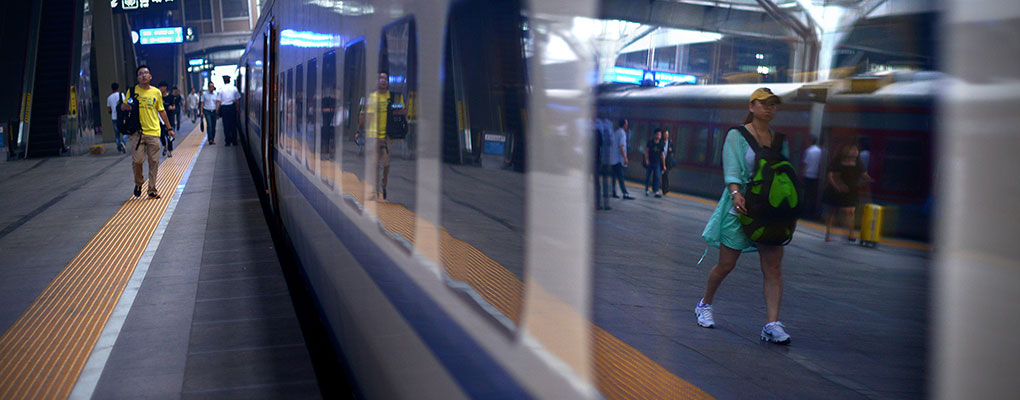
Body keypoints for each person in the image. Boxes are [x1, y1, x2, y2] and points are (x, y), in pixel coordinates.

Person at [694, 87, 792, 345]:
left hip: (771, 213)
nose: (769, 108)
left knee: (773, 267)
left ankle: (772, 324)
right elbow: (733, 168)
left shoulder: (780, 140)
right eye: (764, 103)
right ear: (752, 107)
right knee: (727, 263)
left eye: (773, 104)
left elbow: (785, 176)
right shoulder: (737, 135)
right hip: (742, 208)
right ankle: (704, 303)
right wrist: (736, 193)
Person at [122, 65, 173, 199]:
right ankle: (139, 183)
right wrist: (126, 106)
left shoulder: (156, 92)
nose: (144, 75)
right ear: (137, 77)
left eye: (146, 73)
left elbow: (162, 111)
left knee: (154, 162)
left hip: (154, 132)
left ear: (150, 76)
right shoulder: (132, 91)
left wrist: (169, 128)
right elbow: (123, 106)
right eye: (140, 73)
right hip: (137, 133)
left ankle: (152, 189)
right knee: (138, 161)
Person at [358, 72, 403, 200]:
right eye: (380, 79)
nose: (383, 81)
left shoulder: (393, 97)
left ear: (388, 82)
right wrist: (360, 130)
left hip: (386, 136)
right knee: (375, 165)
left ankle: (384, 184)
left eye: (385, 79)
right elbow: (365, 116)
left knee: (386, 164)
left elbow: (402, 111)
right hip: (373, 136)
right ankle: (375, 192)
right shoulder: (372, 97)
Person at [822, 142, 871, 242]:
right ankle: (828, 234)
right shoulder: (837, 161)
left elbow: (864, 174)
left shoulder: (858, 163)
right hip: (836, 190)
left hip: (851, 191)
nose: (855, 152)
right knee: (832, 211)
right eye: (852, 149)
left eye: (856, 150)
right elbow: (831, 176)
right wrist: (837, 186)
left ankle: (850, 234)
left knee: (850, 212)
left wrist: (868, 180)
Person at [611, 119, 635, 200]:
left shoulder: (616, 132)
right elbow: (621, 146)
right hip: (618, 160)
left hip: (613, 159)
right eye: (626, 124)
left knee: (614, 176)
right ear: (624, 125)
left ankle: (613, 192)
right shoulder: (622, 133)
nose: (627, 125)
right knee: (621, 177)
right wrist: (625, 158)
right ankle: (625, 193)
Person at [800, 135, 822, 219]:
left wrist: (802, 173)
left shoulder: (808, 151)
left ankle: (804, 213)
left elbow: (805, 163)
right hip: (816, 176)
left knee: (806, 195)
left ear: (810, 141)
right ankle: (811, 213)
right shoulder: (820, 151)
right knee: (813, 196)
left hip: (808, 175)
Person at [216, 76, 241, 147]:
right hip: (232, 108)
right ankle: (234, 141)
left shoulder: (221, 89)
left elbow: (218, 101)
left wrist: (217, 110)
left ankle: (227, 141)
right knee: (233, 125)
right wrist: (237, 109)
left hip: (224, 109)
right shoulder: (234, 88)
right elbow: (237, 99)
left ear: (224, 81)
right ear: (229, 80)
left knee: (226, 125)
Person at [596, 118, 614, 210]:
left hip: (601, 158)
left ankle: (599, 203)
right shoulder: (608, 125)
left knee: (599, 182)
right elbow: (611, 141)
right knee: (604, 182)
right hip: (603, 158)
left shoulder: (598, 124)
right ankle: (604, 203)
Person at [106, 82, 127, 153]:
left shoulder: (109, 97)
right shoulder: (121, 95)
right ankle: (123, 142)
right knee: (126, 131)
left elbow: (108, 109)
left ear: (112, 89)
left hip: (114, 117)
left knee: (117, 134)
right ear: (118, 88)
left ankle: (119, 148)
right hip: (122, 117)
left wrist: (112, 112)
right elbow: (125, 104)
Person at [643, 128, 665, 198]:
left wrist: (664, 165)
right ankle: (646, 189)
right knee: (648, 176)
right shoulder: (650, 142)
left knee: (657, 177)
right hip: (650, 162)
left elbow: (663, 155)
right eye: (658, 134)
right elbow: (646, 151)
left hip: (657, 163)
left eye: (660, 135)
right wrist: (646, 160)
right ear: (655, 135)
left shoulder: (661, 144)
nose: (659, 136)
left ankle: (657, 191)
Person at [157, 82, 175, 158]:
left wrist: (172, 107)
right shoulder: (158, 97)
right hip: (160, 119)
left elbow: (174, 106)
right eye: (160, 87)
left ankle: (170, 151)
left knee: (169, 135)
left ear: (166, 87)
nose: (161, 88)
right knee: (161, 135)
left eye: (163, 87)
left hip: (169, 118)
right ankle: (165, 146)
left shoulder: (170, 97)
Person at [662, 129, 675, 194]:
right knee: (663, 175)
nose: (666, 136)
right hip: (661, 161)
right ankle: (664, 188)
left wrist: (671, 150)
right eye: (665, 134)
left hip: (667, 161)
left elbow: (673, 150)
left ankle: (665, 189)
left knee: (665, 175)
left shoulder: (670, 142)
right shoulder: (661, 142)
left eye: (667, 134)